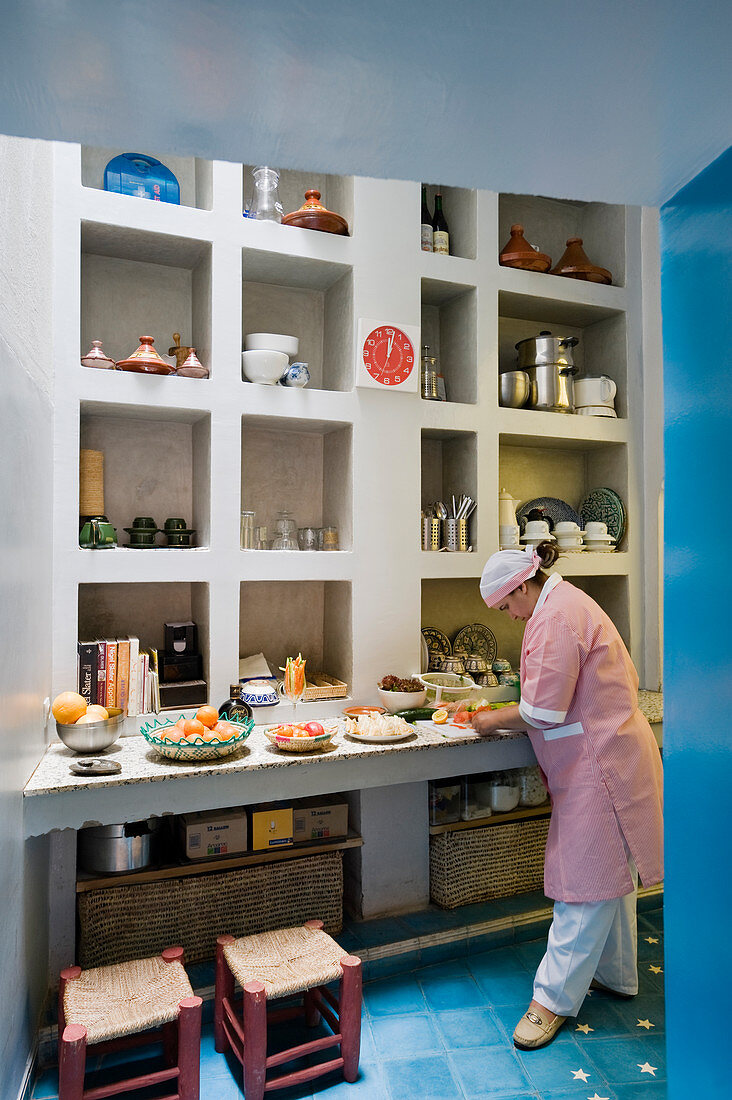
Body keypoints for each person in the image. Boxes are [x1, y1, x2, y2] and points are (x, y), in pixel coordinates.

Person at [472, 542, 663, 1051]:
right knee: (612, 879)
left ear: (521, 587)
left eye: (507, 606)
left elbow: (542, 711)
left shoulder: (556, 618)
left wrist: (489, 719)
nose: (510, 616)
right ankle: (619, 976)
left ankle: (551, 1001)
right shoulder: (563, 604)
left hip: (604, 764)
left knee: (585, 883)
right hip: (609, 755)